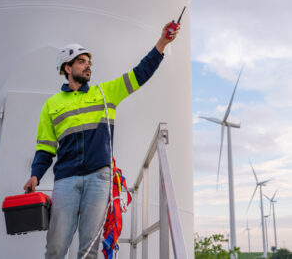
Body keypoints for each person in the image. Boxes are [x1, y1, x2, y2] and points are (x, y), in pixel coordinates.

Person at [23, 22, 180, 259]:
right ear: (67, 67)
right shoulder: (51, 105)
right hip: (66, 179)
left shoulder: (106, 93)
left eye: (89, 62)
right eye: (81, 61)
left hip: (99, 177)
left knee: (89, 250)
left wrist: (162, 43)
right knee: (55, 248)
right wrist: (35, 174)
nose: (88, 66)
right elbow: (45, 148)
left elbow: (140, 73)